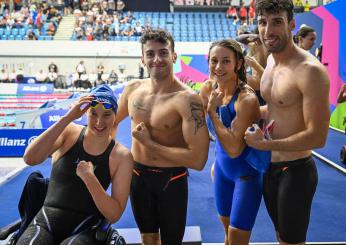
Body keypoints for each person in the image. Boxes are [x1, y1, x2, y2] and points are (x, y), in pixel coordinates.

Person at [244, 0, 330, 244]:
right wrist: (237, 111)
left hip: (296, 170)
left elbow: (318, 137)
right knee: (281, 236)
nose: (268, 31)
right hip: (269, 168)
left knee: (292, 241)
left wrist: (263, 145)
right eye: (263, 22)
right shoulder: (271, 61)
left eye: (277, 22)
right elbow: (273, 109)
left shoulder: (310, 71)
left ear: (292, 25)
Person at [113, 28, 210, 244]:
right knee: (147, 239)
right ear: (142, 59)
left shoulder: (188, 99)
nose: (157, 59)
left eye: (163, 52)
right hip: (138, 177)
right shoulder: (132, 90)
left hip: (172, 180)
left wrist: (149, 144)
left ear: (173, 56)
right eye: (150, 54)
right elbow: (109, 125)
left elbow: (198, 160)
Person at [16, 85, 133, 245]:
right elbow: (30, 158)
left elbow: (114, 215)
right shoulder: (68, 133)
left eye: (107, 114)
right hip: (46, 221)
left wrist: (90, 179)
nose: (99, 122)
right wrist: (67, 118)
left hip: (86, 227)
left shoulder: (121, 156)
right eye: (93, 114)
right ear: (86, 113)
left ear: (115, 116)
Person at [200, 39, 269, 245]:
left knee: (238, 239)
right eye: (214, 61)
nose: (218, 67)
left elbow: (233, 149)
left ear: (238, 64)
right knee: (227, 235)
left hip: (245, 175)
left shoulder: (246, 99)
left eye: (226, 61)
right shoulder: (207, 88)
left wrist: (212, 112)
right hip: (222, 170)